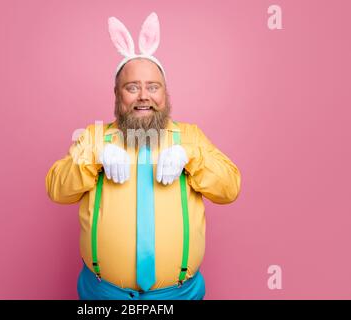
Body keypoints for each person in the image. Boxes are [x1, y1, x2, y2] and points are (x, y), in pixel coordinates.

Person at [45, 12, 241, 300]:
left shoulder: (189, 137)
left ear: (165, 94)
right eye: (132, 87)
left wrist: (192, 156)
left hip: (178, 295)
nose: (143, 96)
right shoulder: (94, 137)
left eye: (152, 87)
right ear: (117, 94)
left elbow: (230, 189)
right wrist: (94, 156)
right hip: (104, 294)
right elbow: (56, 189)